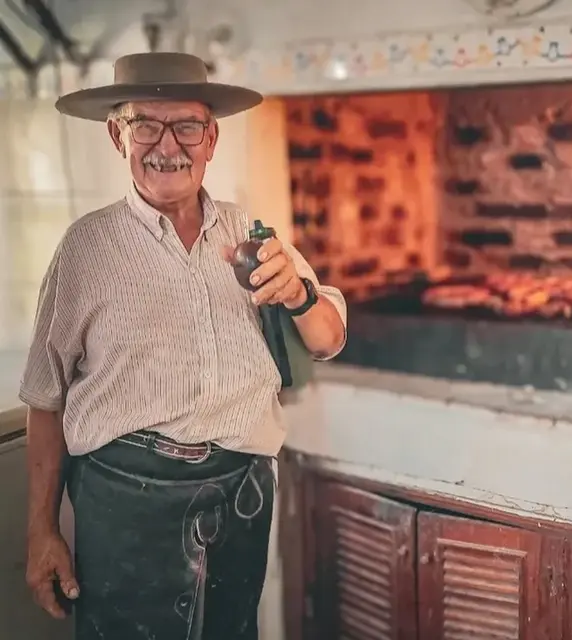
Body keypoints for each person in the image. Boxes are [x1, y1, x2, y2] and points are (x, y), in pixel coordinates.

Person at [19, 52, 347, 640]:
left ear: (212, 138)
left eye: (187, 126)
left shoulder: (250, 233)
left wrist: (298, 294)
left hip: (243, 496)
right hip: (125, 504)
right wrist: (41, 532)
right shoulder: (85, 249)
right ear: (118, 136)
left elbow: (326, 341)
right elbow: (45, 396)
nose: (167, 144)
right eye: (146, 124)